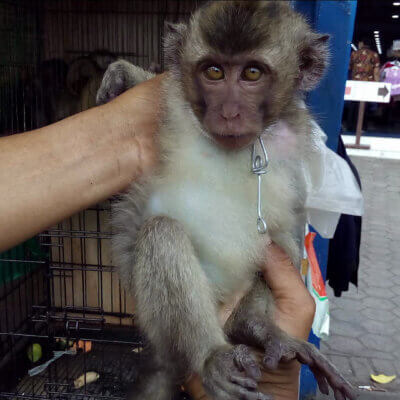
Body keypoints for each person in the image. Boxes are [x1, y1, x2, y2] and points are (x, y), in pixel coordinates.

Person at [0, 74, 315, 400]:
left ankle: (237, 341)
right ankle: (212, 352)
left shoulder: (274, 133)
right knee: (163, 235)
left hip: (238, 289)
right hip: (190, 284)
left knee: (279, 248)